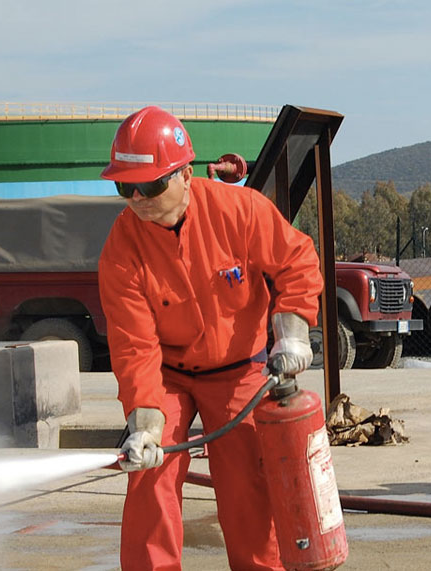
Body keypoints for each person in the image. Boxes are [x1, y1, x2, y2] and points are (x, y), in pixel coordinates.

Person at [97, 106, 323, 569]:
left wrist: (293, 334)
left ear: (183, 174)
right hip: (168, 376)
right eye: (126, 187)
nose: (137, 198)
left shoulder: (240, 211)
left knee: (248, 486)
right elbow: (133, 344)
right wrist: (144, 421)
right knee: (149, 475)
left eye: (150, 185)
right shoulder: (121, 248)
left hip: (240, 367)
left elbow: (296, 264)